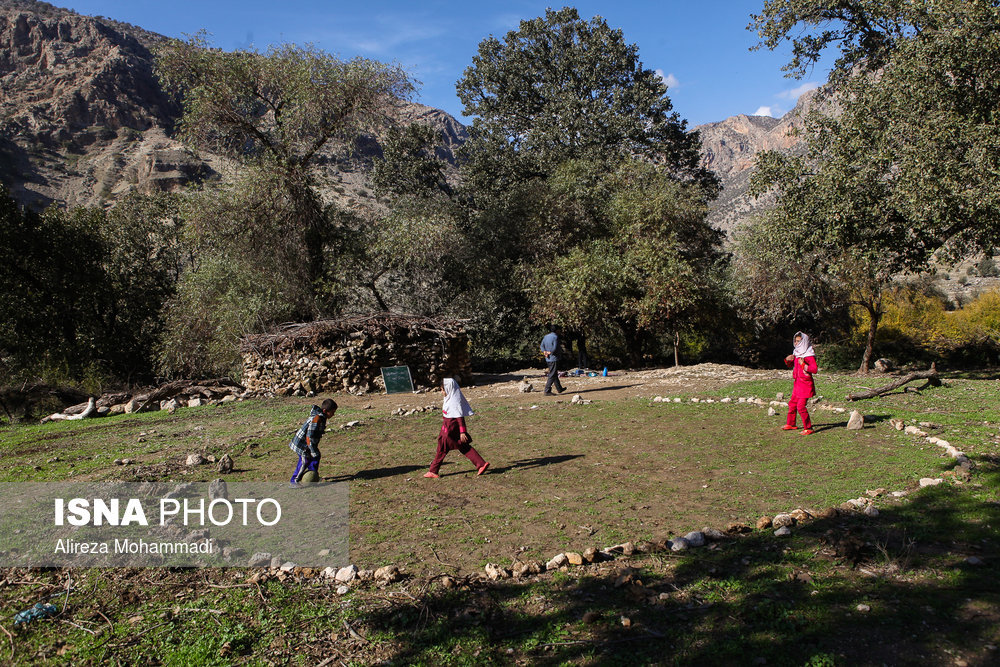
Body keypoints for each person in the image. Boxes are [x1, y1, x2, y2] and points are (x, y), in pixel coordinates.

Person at [424, 378, 490, 478]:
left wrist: (463, 432)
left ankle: (433, 471)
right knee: (464, 447)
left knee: (441, 450)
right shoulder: (450, 399)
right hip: (451, 430)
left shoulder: (454, 402)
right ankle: (481, 464)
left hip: (449, 432)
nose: (442, 392)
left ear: (449, 388)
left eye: (443, 389)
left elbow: (460, 417)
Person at [289, 398, 337, 486]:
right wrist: (312, 450)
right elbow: (309, 437)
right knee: (305, 461)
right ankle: (294, 481)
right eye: (332, 412)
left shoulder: (322, 417)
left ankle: (312, 476)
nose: (333, 415)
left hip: (308, 444)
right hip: (302, 444)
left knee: (316, 457)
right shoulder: (317, 419)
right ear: (325, 410)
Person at [783, 331, 818, 435]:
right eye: (796, 341)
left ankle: (808, 428)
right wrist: (788, 360)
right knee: (792, 404)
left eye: (799, 341)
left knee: (801, 406)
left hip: (805, 385)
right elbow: (791, 366)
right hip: (797, 383)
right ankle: (791, 424)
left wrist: (803, 364)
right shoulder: (797, 353)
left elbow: (814, 369)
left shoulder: (809, 355)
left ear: (804, 342)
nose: (797, 343)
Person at [540, 324, 566, 395]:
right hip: (554, 358)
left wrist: (545, 352)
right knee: (552, 374)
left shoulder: (546, 336)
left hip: (547, 358)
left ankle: (559, 388)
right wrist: (550, 352)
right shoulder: (555, 337)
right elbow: (555, 348)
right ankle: (547, 390)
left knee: (554, 373)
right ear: (557, 330)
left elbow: (542, 346)